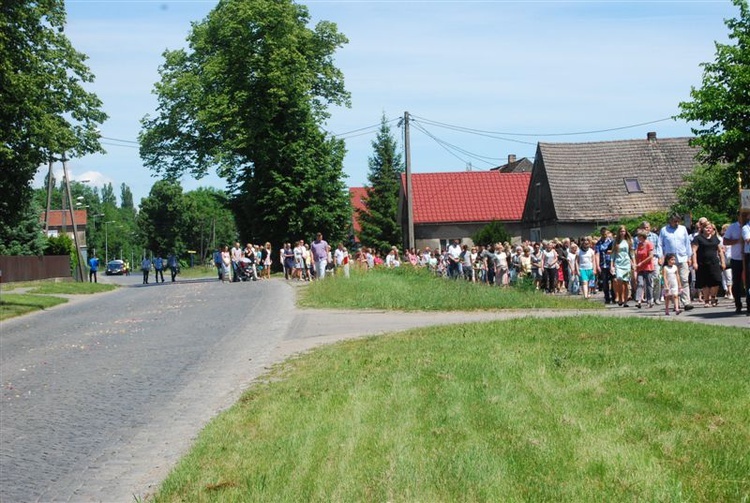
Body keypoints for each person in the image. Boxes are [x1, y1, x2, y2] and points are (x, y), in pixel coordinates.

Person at [658, 214, 694, 310]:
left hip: (682, 258)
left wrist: (689, 257)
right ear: (670, 220)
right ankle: (676, 304)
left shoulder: (682, 229)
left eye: (678, 221)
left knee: (684, 280)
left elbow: (687, 243)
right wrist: (660, 256)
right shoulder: (664, 230)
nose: (677, 223)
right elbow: (660, 244)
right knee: (672, 282)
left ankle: (686, 302)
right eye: (675, 221)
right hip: (670, 260)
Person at [692, 221, 725, 307]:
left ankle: (713, 297)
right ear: (702, 228)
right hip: (702, 263)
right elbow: (694, 251)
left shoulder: (715, 238)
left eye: (710, 228)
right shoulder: (698, 238)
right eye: (707, 228)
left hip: (714, 263)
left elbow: (720, 251)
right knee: (705, 283)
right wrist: (694, 262)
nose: (708, 229)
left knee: (717, 280)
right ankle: (706, 300)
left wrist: (723, 262)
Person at [721, 213, 749, 314]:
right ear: (738, 217)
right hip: (736, 258)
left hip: (747, 257)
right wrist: (737, 241)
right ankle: (738, 304)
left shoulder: (748, 226)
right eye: (743, 216)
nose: (745, 218)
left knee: (748, 282)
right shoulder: (733, 227)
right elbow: (725, 241)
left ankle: (748, 303)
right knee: (736, 282)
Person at [611, 226, 634, 307]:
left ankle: (625, 301)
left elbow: (631, 253)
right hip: (618, 263)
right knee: (619, 280)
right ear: (619, 232)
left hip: (626, 263)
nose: (622, 233)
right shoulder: (616, 242)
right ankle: (620, 297)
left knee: (626, 282)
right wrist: (611, 265)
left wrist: (633, 263)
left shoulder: (629, 241)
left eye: (624, 231)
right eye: (621, 231)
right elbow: (613, 254)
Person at [634, 230, 655, 308]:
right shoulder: (639, 245)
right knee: (640, 283)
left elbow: (650, 256)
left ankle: (650, 300)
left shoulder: (649, 244)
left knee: (648, 284)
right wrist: (636, 264)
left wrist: (642, 263)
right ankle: (639, 300)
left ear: (642, 237)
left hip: (648, 267)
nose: (638, 238)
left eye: (639, 236)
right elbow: (637, 255)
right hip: (640, 268)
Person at [594, 227, 614, 304]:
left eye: (605, 233)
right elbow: (597, 254)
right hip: (603, 265)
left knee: (613, 282)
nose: (604, 235)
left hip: (611, 264)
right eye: (603, 233)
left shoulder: (611, 242)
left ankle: (614, 296)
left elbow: (614, 252)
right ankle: (607, 298)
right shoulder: (598, 243)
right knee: (605, 283)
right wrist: (598, 265)